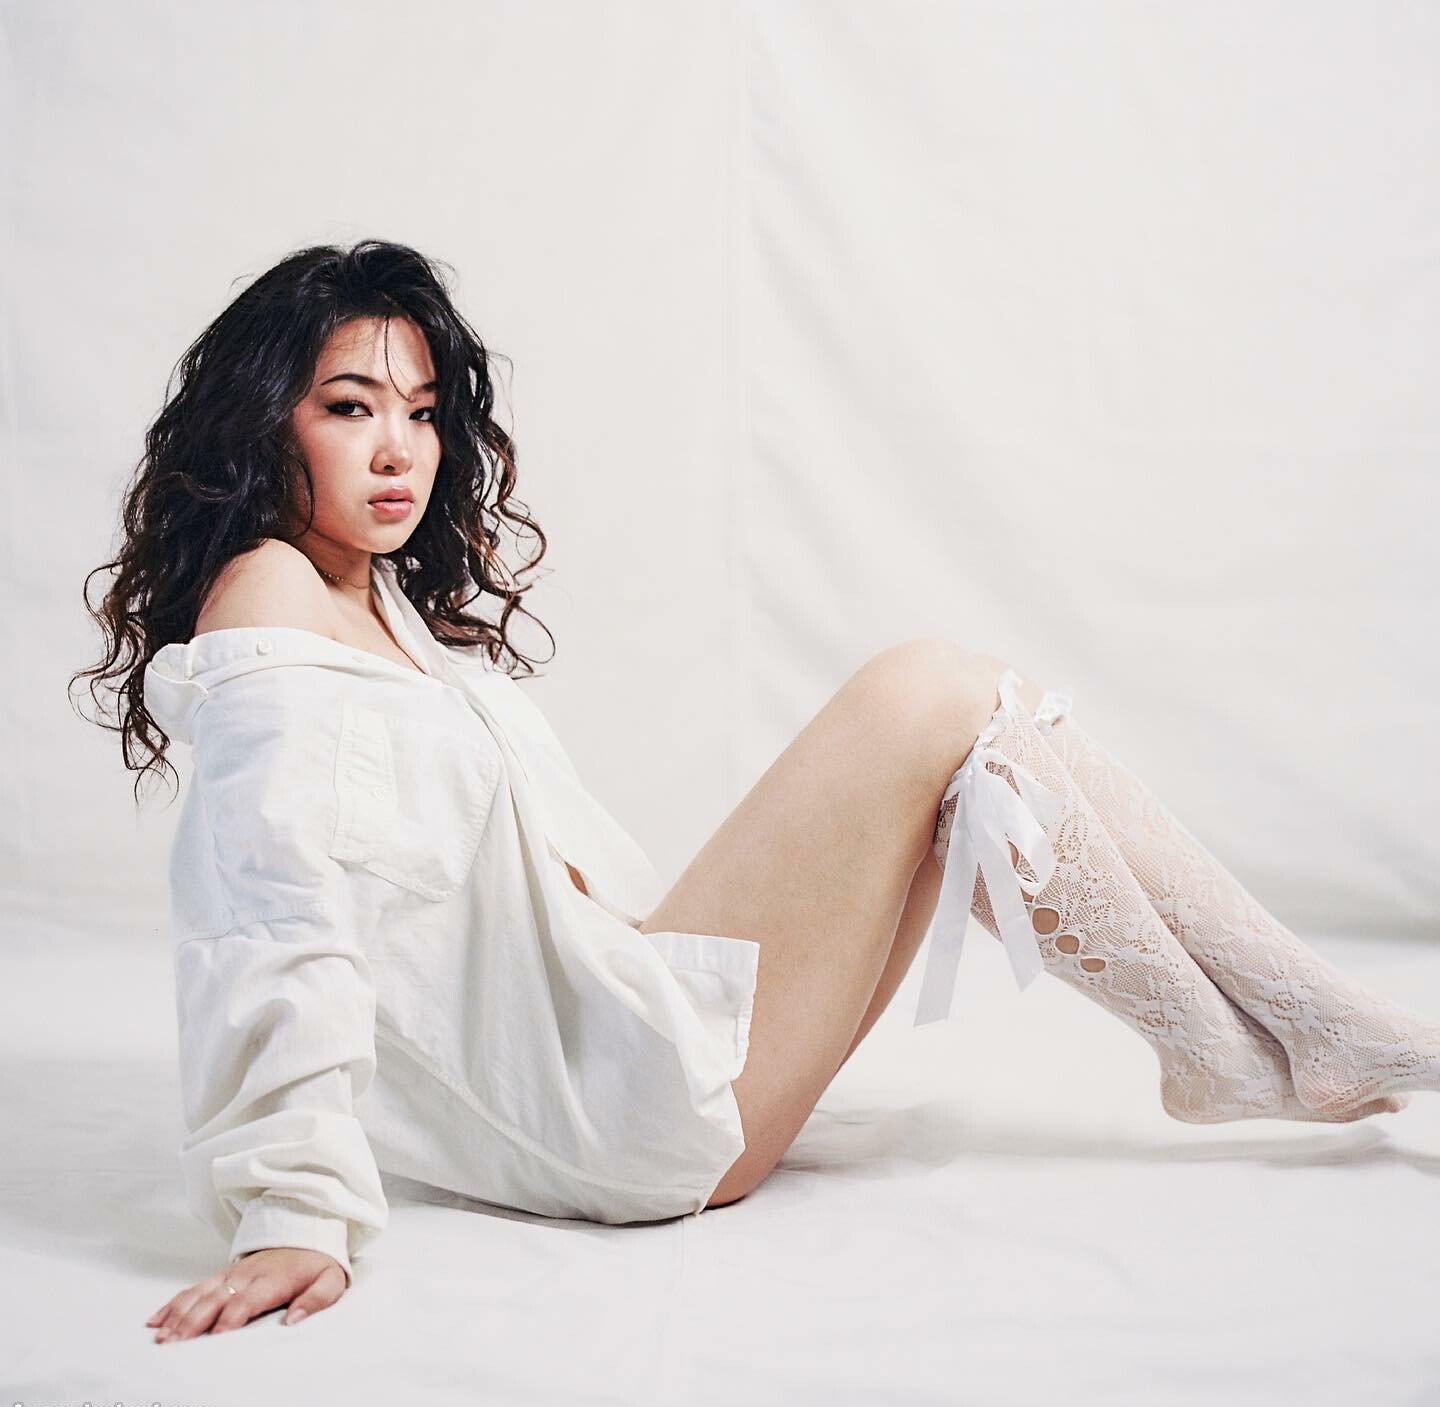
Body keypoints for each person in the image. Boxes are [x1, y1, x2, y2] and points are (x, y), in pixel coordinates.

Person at [73, 239, 1437, 1346]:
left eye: (422, 413)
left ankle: (1255, 1043)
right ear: (266, 418)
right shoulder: (268, 594)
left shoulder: (374, 605)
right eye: (349, 407)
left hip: (631, 1048)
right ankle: (1296, 1033)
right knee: (930, 689)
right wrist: (293, 1208)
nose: (399, 452)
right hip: (620, 1112)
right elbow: (268, 906)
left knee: (978, 751)